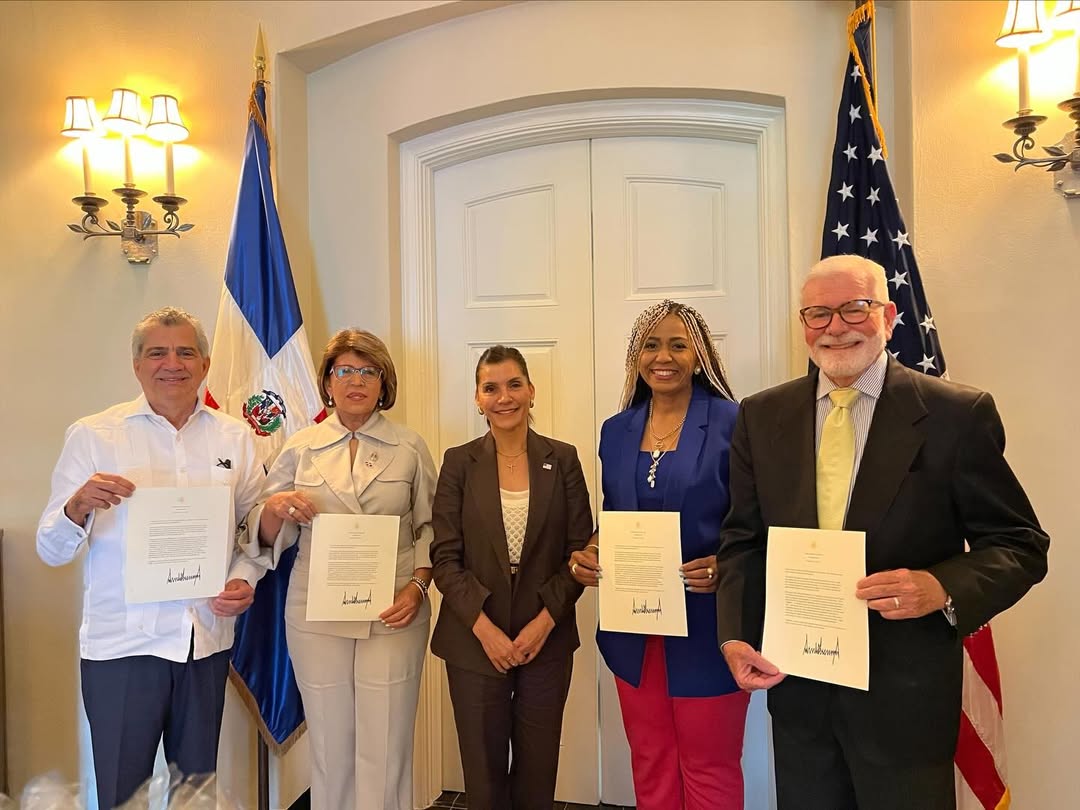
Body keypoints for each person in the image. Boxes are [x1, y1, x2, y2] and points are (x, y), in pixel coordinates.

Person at [715, 255, 1050, 810]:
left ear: (889, 316)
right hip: (798, 691)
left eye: (854, 308)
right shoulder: (760, 415)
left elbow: (1020, 544)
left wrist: (940, 587)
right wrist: (734, 634)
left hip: (905, 699)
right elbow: (743, 540)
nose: (836, 326)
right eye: (818, 314)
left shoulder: (955, 415)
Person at [36, 306, 267, 810]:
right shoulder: (95, 435)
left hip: (202, 642)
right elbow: (50, 548)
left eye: (186, 352)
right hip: (122, 645)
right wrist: (78, 505)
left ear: (205, 364)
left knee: (194, 793)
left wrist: (244, 577)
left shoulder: (235, 437)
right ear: (137, 365)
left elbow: (253, 527)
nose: (172, 363)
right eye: (157, 352)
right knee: (123, 793)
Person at [569, 300, 750, 810]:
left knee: (709, 766)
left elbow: (756, 523)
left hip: (708, 624)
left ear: (700, 355)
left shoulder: (734, 423)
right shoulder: (616, 430)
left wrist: (724, 564)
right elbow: (616, 516)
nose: (662, 356)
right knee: (649, 757)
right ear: (636, 356)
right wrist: (590, 552)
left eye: (677, 343)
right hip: (634, 628)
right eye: (651, 344)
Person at [250, 329, 435, 810]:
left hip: (394, 605)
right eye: (345, 371)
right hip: (317, 607)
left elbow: (432, 529)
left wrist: (418, 586)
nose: (356, 381)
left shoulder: (410, 446)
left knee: (387, 739)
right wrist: (279, 507)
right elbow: (264, 530)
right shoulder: (301, 446)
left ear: (383, 382)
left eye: (368, 371)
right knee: (331, 742)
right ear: (328, 382)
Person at [430, 345, 592, 810]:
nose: (504, 397)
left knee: (538, 775)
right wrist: (485, 629)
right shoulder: (459, 462)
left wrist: (545, 622)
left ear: (531, 390)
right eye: (491, 388)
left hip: (547, 638)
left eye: (514, 384)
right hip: (474, 639)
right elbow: (445, 556)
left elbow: (578, 551)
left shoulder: (562, 459)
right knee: (482, 778)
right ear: (478, 399)